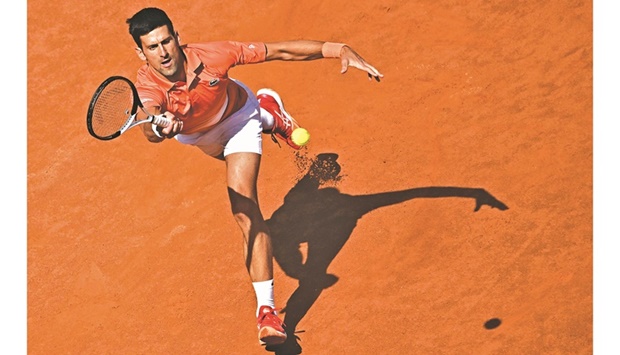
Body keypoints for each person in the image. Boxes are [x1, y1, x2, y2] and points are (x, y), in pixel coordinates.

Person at [125, 7, 383, 347]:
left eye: (166, 41)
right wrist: (161, 127)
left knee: (244, 207)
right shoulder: (146, 84)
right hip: (200, 137)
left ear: (177, 37)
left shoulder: (214, 55)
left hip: (236, 120)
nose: (163, 53)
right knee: (240, 182)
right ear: (141, 52)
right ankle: (270, 114)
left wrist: (338, 49)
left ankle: (268, 313)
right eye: (153, 47)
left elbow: (278, 50)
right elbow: (150, 122)